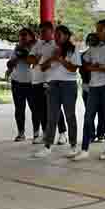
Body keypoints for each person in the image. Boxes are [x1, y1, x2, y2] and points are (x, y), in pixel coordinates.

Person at [77, 20, 105, 161]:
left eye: (100, 30)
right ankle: (84, 149)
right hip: (94, 86)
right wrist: (91, 66)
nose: (97, 32)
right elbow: (84, 61)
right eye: (96, 30)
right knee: (88, 117)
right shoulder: (94, 46)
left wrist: (103, 67)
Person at [36, 25, 81, 159]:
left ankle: (73, 146)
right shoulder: (51, 49)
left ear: (66, 36)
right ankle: (47, 146)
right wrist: (52, 59)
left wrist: (60, 59)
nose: (56, 37)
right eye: (55, 35)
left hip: (68, 84)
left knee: (70, 116)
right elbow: (42, 68)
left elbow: (74, 69)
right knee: (51, 117)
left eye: (59, 35)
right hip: (52, 85)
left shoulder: (73, 49)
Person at [28, 21, 67, 147]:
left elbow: (60, 59)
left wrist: (40, 59)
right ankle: (46, 134)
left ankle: (62, 134)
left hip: (51, 80)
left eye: (44, 31)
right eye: (40, 32)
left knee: (55, 108)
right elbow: (30, 59)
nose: (41, 34)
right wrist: (36, 58)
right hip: (36, 80)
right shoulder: (38, 44)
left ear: (52, 31)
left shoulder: (57, 43)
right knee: (41, 109)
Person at [7, 27, 37, 142]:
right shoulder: (16, 48)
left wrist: (24, 54)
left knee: (34, 109)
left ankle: (36, 133)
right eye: (20, 35)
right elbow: (9, 64)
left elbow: (33, 62)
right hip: (17, 82)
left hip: (31, 82)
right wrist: (16, 58)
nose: (22, 37)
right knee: (19, 109)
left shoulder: (35, 47)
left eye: (24, 35)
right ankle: (21, 133)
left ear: (30, 36)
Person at [79, 33, 105, 147]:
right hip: (87, 86)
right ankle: (91, 134)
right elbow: (82, 71)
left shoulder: (103, 53)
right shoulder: (83, 55)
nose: (91, 41)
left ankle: (100, 133)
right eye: (89, 39)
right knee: (90, 112)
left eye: (93, 39)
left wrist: (94, 67)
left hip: (101, 85)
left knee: (102, 111)